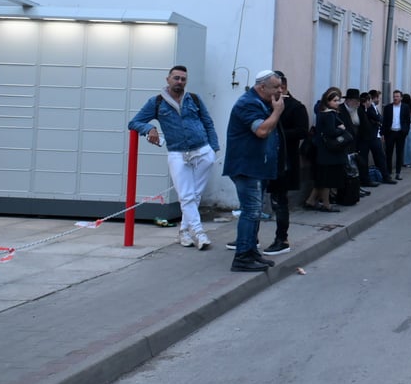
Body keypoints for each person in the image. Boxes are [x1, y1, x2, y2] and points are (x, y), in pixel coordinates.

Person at [129, 65, 220, 251]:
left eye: (183, 79)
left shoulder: (193, 99)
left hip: (203, 151)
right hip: (178, 153)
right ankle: (199, 232)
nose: (179, 82)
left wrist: (213, 148)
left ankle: (184, 232)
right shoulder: (156, 102)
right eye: (176, 78)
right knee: (186, 195)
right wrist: (150, 129)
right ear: (168, 79)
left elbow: (208, 122)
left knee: (195, 195)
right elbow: (135, 122)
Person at [222, 70, 285, 272]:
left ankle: (251, 252)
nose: (280, 90)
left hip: (258, 166)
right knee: (250, 211)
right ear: (261, 87)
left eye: (281, 86)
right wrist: (277, 112)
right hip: (247, 167)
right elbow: (261, 131)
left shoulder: (262, 102)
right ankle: (242, 257)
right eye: (276, 86)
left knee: (254, 211)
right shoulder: (247, 103)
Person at [262, 71, 308, 256]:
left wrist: (276, 134)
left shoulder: (296, 107)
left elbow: (302, 132)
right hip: (266, 160)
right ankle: (251, 238)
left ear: (283, 87)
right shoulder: (267, 105)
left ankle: (282, 239)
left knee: (280, 201)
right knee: (258, 201)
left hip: (285, 161)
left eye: (275, 87)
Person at [303, 88, 346, 213]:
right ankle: (326, 205)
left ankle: (310, 201)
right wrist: (342, 129)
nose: (337, 103)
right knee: (326, 180)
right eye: (335, 100)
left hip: (323, 151)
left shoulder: (323, 112)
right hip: (328, 152)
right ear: (327, 101)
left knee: (321, 179)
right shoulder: (328, 114)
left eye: (338, 100)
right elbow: (331, 132)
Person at [382, 89, 411, 182]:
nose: (395, 98)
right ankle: (389, 173)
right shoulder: (388, 108)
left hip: (400, 133)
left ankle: (398, 173)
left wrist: (405, 131)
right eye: (394, 96)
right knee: (388, 153)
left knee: (399, 153)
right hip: (390, 133)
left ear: (401, 98)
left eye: (397, 96)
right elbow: (384, 121)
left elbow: (407, 120)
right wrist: (382, 133)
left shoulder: (405, 107)